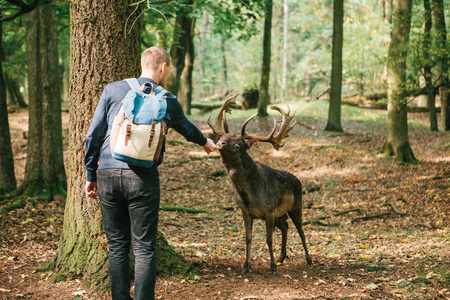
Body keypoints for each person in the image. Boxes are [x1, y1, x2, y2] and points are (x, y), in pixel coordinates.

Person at [84, 46, 216, 300]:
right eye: (169, 70)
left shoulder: (113, 89)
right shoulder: (166, 98)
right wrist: (205, 143)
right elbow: (187, 128)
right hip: (142, 178)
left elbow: (93, 135)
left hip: (108, 174)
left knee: (118, 247)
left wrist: (91, 174)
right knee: (144, 248)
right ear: (163, 67)